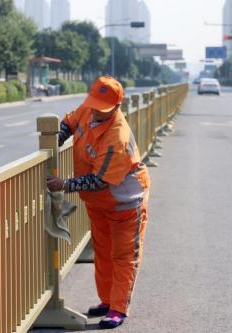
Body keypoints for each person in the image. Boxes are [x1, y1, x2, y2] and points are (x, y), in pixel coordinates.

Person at [46, 76, 150, 329]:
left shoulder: (118, 136)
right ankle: (107, 300)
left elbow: (100, 181)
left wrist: (66, 185)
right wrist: (56, 139)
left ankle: (118, 308)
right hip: (99, 203)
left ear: (116, 107)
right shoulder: (89, 108)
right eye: (94, 103)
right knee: (102, 253)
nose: (94, 110)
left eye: (102, 108)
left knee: (123, 256)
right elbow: (69, 123)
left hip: (125, 202)